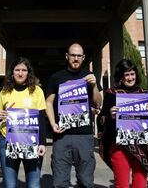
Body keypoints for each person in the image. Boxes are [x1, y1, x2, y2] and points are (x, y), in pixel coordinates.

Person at [46, 43, 102, 188]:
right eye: (73, 55)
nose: (76, 58)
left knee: (85, 181)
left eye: (79, 56)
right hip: (61, 135)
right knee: (59, 182)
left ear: (83, 58)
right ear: (67, 56)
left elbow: (97, 104)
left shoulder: (89, 77)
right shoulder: (56, 77)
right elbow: (49, 102)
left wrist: (95, 86)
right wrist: (53, 124)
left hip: (84, 135)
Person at [98, 59, 148, 188]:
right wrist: (109, 116)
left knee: (140, 185)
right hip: (119, 148)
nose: (130, 78)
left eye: (132, 74)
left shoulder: (143, 94)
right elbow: (100, 119)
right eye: (126, 75)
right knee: (122, 185)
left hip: (141, 148)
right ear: (121, 77)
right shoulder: (111, 94)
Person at [0, 57, 47, 188]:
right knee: (10, 185)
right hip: (8, 141)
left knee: (34, 184)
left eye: (24, 70)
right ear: (12, 72)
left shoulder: (37, 91)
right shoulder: (5, 91)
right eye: (17, 70)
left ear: (28, 72)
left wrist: (42, 143)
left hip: (32, 142)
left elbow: (41, 118)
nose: (20, 73)